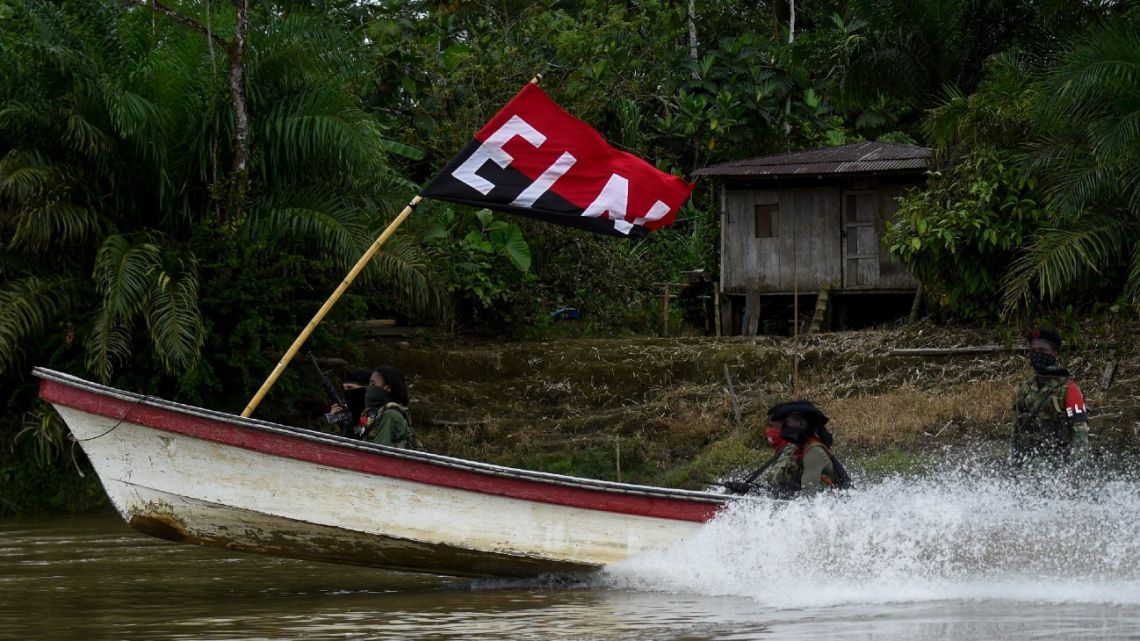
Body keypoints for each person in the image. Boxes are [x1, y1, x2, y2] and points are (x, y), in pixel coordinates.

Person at [723, 400, 850, 498]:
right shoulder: (799, 448)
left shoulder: (814, 452)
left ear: (803, 423)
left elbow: (807, 500)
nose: (786, 425)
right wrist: (752, 490)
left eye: (791, 421)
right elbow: (786, 491)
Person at [1011, 327, 1089, 465]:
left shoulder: (1070, 390)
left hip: (1059, 467)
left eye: (1042, 350)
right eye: (1033, 351)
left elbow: (1080, 433)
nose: (1037, 354)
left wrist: (1076, 470)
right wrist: (1014, 464)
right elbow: (1016, 430)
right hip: (1028, 468)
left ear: (1054, 353)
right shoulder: (1024, 390)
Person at [360, 365, 416, 448]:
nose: (369, 388)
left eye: (373, 383)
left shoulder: (390, 415)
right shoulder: (374, 414)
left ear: (387, 388)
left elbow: (378, 452)